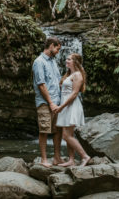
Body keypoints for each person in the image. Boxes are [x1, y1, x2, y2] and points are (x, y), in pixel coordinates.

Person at [32, 37, 64, 168]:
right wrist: (50, 102)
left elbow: (58, 81)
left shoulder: (53, 62)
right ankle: (44, 159)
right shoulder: (39, 62)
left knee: (58, 130)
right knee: (44, 130)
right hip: (45, 103)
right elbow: (41, 85)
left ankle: (57, 158)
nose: (58, 52)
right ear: (51, 45)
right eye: (57, 48)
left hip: (57, 102)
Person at [55, 53, 90, 167]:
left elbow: (74, 94)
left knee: (66, 136)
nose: (66, 60)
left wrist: (61, 106)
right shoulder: (70, 74)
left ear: (75, 62)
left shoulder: (78, 75)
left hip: (71, 106)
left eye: (69, 59)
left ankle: (85, 156)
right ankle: (71, 160)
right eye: (66, 58)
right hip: (66, 105)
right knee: (69, 134)